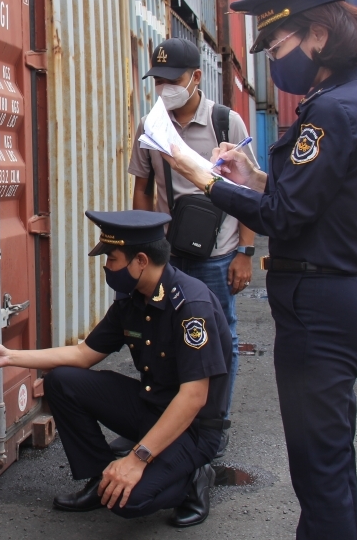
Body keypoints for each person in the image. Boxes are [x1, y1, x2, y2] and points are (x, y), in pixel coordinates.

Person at [162, 0, 357, 540]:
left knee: (320, 472)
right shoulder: (350, 102)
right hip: (329, 300)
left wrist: (202, 178)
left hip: (321, 307)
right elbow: (312, 201)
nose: (271, 60)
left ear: (317, 35)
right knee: (326, 466)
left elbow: (285, 219)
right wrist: (257, 177)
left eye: (277, 45)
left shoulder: (332, 112)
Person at [0, 210, 232, 527]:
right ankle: (100, 479)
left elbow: (193, 398)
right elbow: (83, 354)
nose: (107, 266)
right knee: (62, 382)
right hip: (151, 408)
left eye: (112, 259)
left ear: (140, 261)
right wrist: (9, 356)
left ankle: (194, 478)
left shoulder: (190, 307)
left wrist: (136, 459)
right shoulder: (133, 298)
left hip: (192, 429)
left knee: (128, 502)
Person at [129, 37, 258, 456]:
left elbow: (250, 192)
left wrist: (245, 252)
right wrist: (144, 243)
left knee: (220, 339)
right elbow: (142, 188)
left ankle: (213, 426)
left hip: (218, 257)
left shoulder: (227, 122)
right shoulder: (150, 125)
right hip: (170, 253)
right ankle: (168, 421)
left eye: (174, 79)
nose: (165, 88)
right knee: (164, 335)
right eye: (159, 80)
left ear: (196, 78)